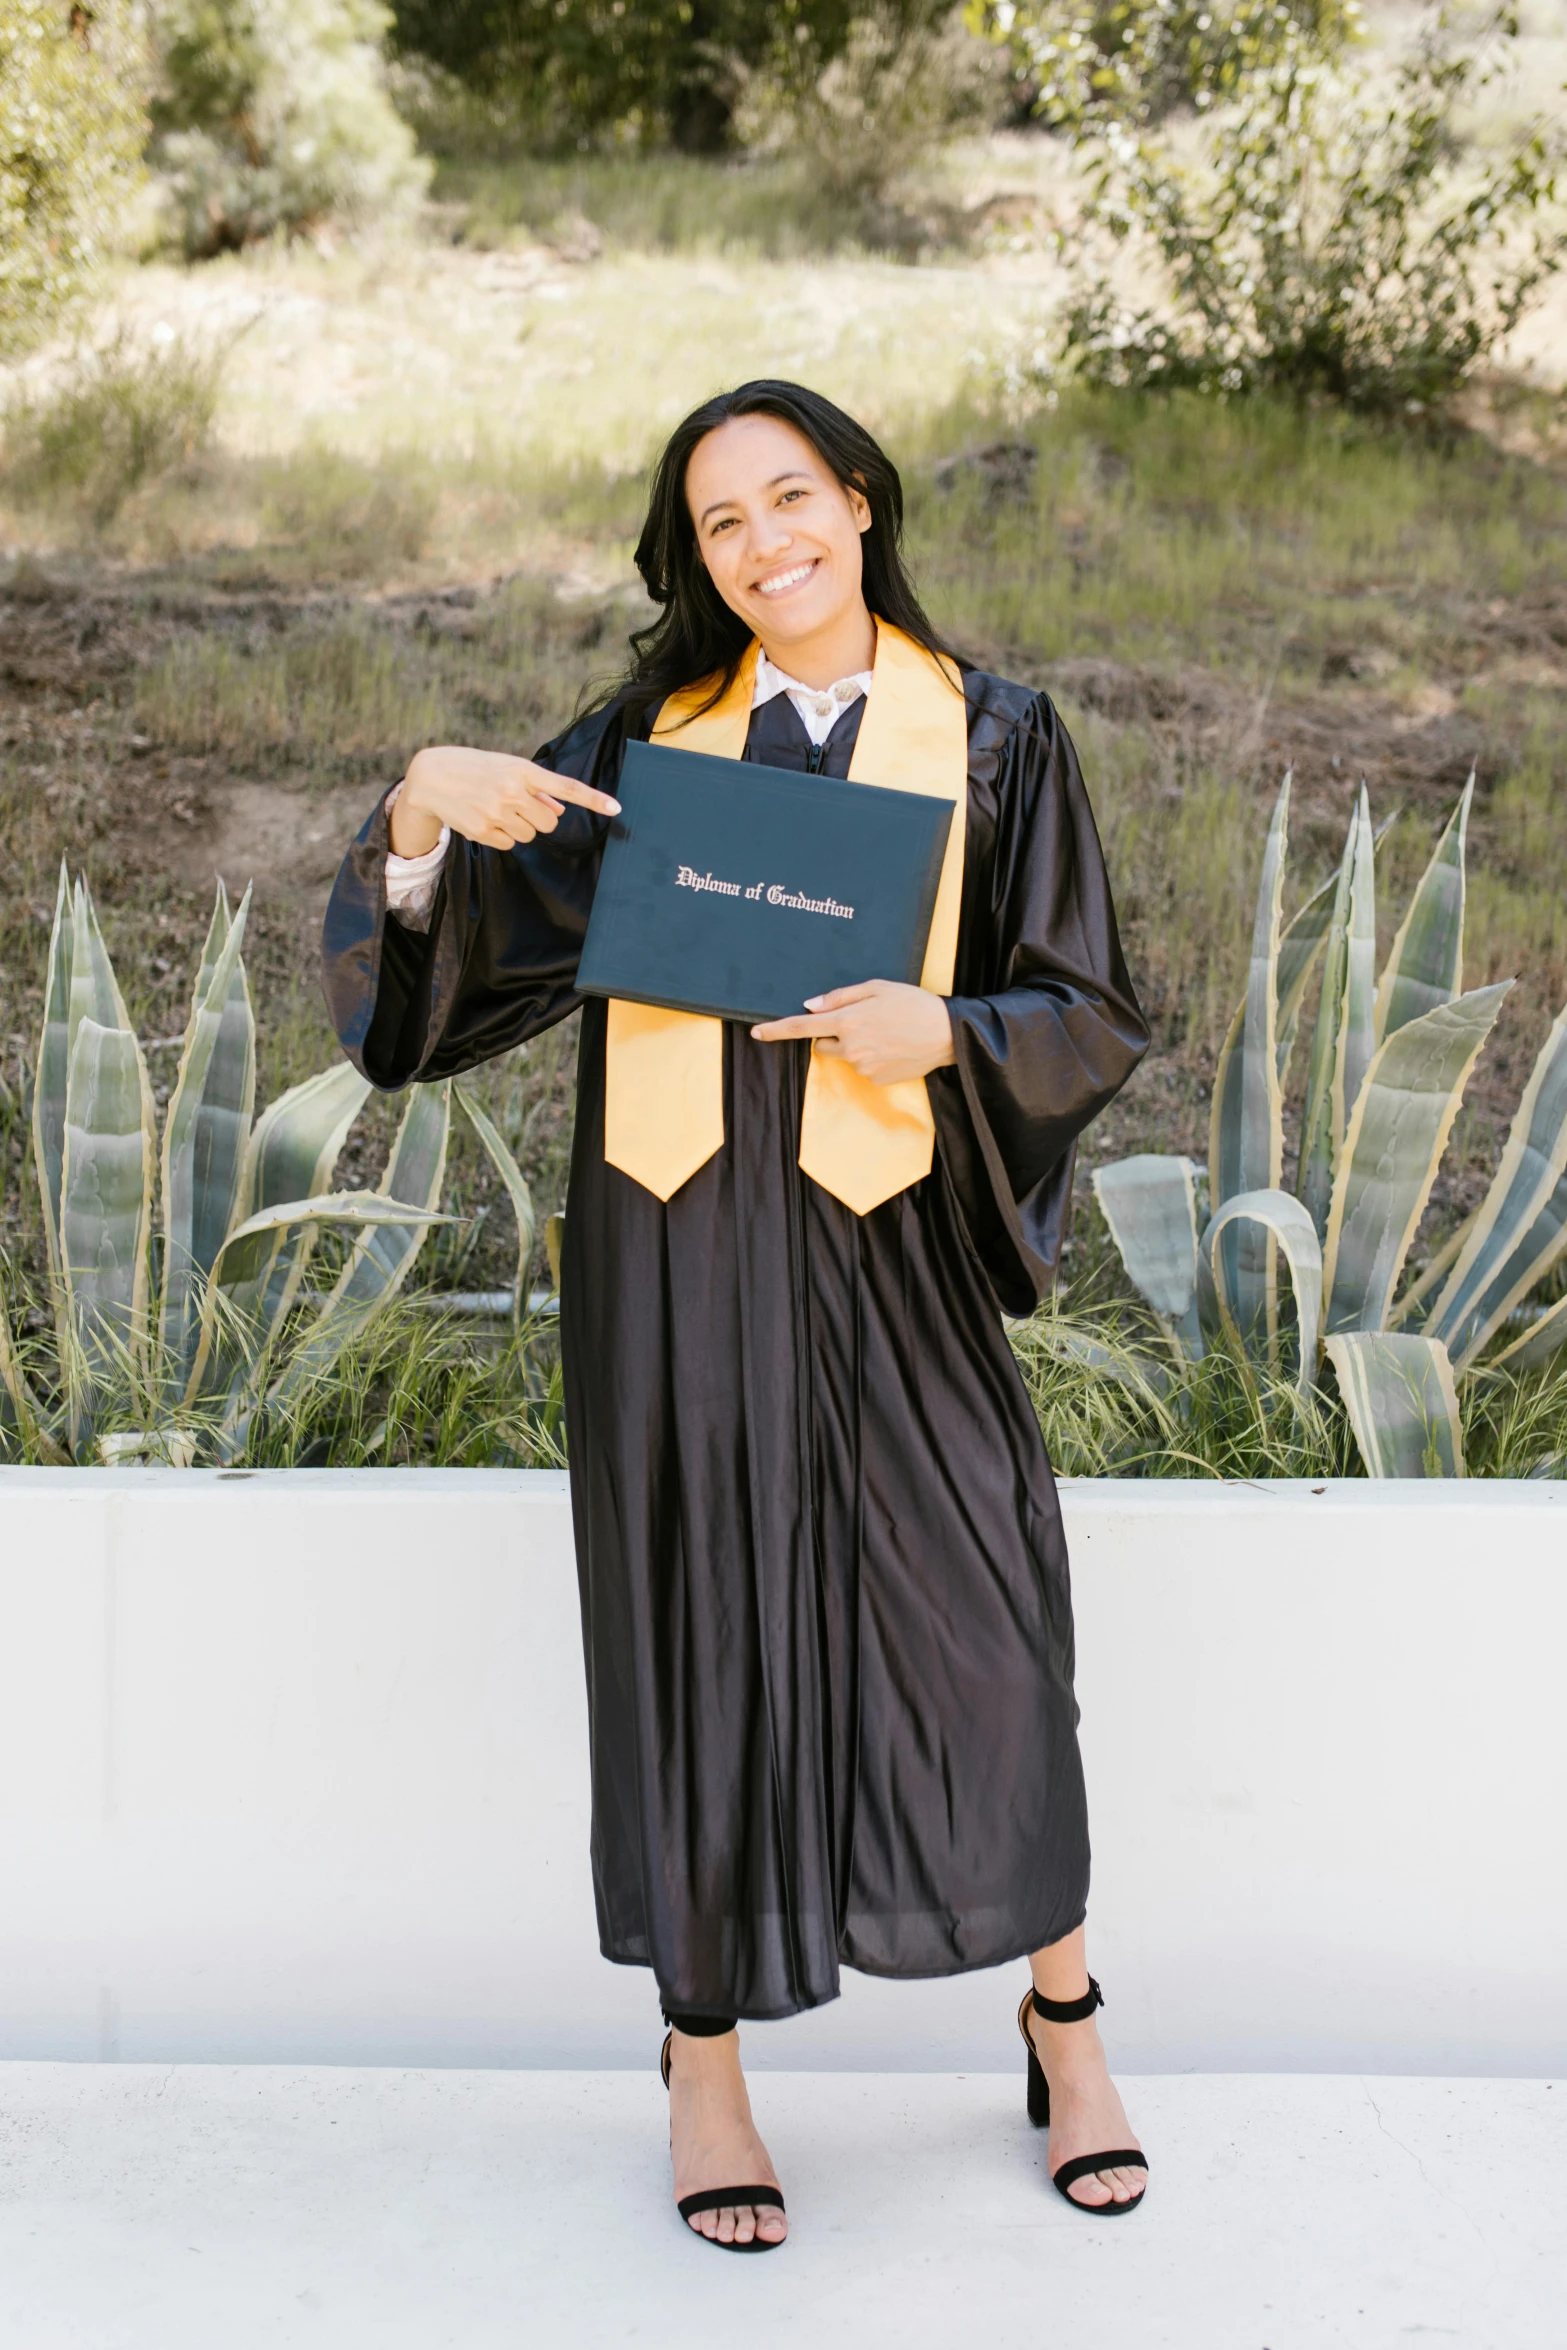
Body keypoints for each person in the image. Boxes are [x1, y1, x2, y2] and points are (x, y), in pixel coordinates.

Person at [322, 380, 1151, 2251]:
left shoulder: (998, 740)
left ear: (858, 502)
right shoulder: (649, 739)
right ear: (693, 558)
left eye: (791, 498)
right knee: (691, 1625)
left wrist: (944, 1029)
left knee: (989, 1633)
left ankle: (1065, 2019)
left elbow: (1088, 1000)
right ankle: (702, 2063)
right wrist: (414, 819)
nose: (766, 541)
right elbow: (446, 991)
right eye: (721, 523)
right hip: (679, 1248)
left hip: (894, 1248)